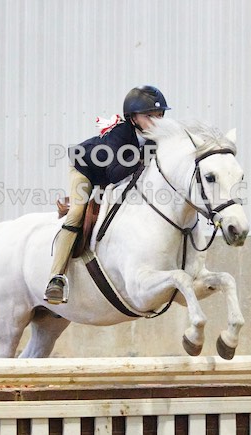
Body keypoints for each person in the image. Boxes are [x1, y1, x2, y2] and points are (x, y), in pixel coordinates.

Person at [44, 85, 171, 304]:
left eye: (159, 115)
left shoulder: (156, 139)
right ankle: (56, 278)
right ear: (133, 118)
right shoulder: (121, 133)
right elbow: (114, 174)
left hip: (111, 176)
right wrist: (141, 156)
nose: (156, 121)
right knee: (77, 213)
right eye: (149, 116)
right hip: (85, 169)